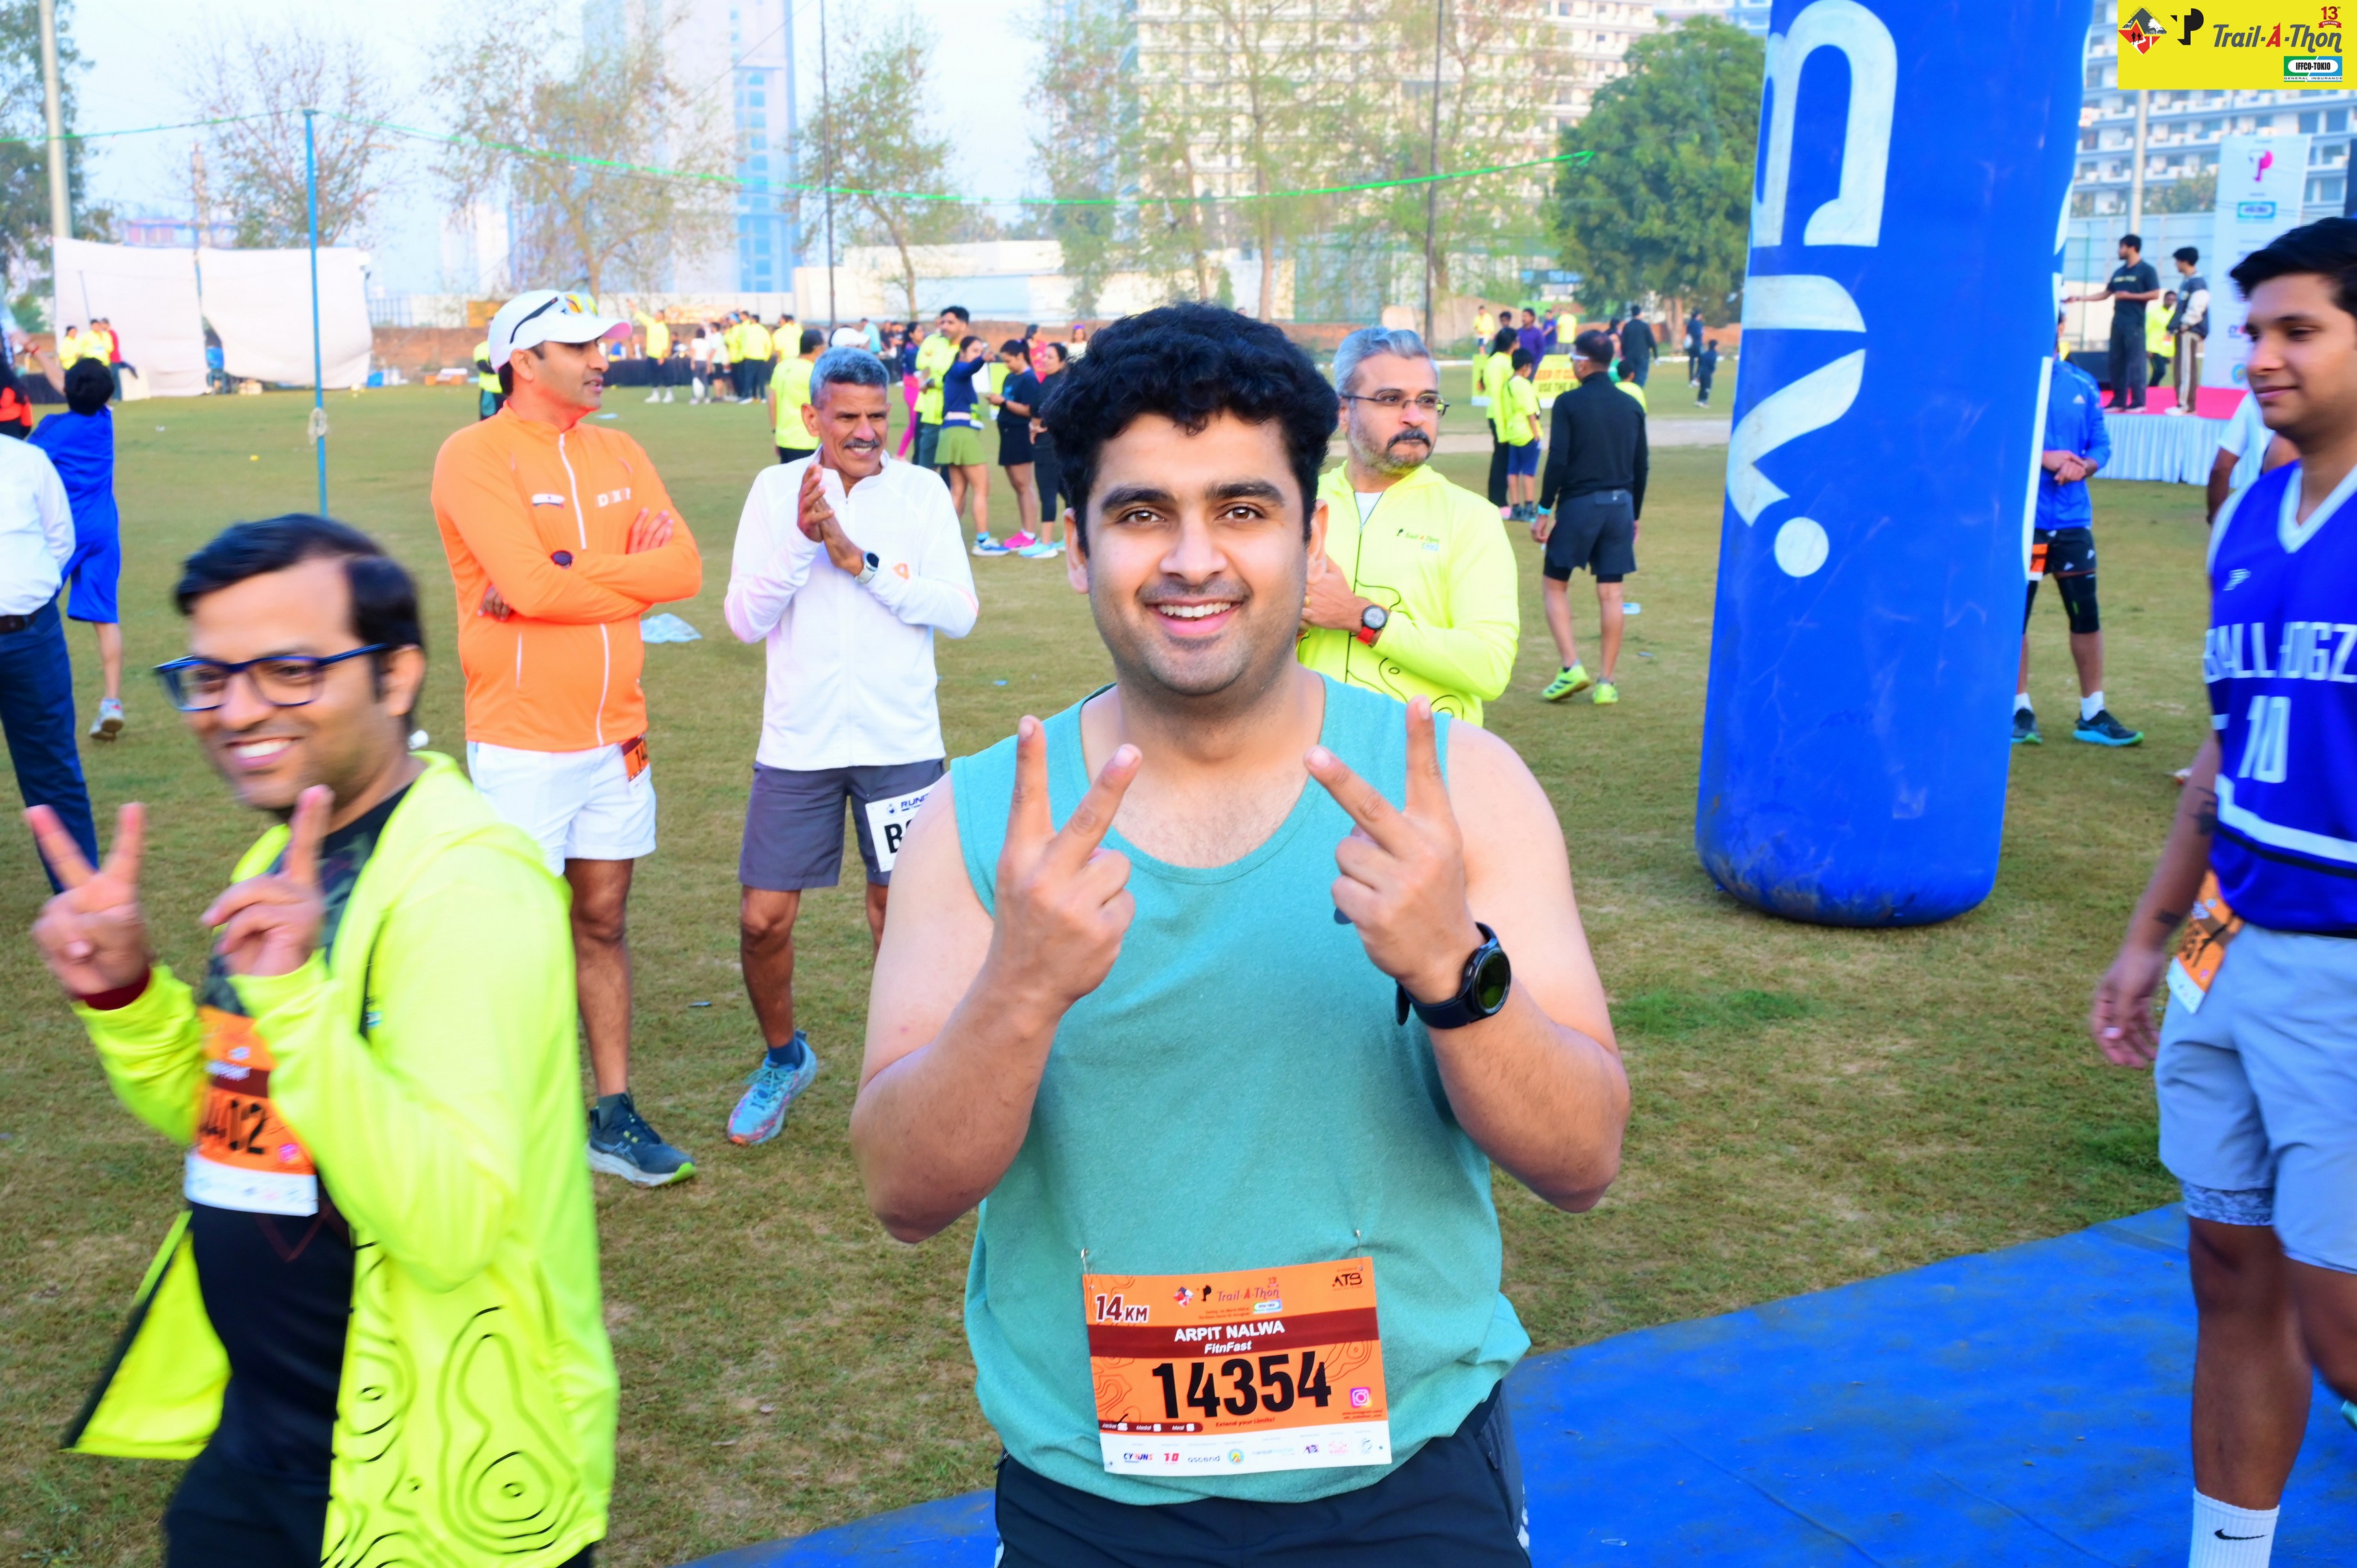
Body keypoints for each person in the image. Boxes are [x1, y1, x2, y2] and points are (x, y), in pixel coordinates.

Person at [850, 302, 1627, 1567]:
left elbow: (1582, 1158)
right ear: (1075, 545)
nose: (1192, 558)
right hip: (1095, 1501)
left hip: (1410, 1484)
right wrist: (1019, 991)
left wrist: (1456, 968)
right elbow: (901, 1193)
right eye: (1140, 513)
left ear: (1309, 535)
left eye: (1243, 508)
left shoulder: (1460, 789)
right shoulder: (984, 819)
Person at [27, 514, 614, 1568]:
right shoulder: (293, 857)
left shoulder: (466, 890)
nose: (237, 709)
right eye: (210, 678)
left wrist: (294, 1001)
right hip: (268, 1444)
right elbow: (236, 1118)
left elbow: (449, 1222)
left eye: (291, 670)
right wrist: (125, 993)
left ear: (396, 676)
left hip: (430, 1475)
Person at [2087, 216, 2357, 1568]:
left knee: (2342, 1329)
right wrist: (2149, 936)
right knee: (2229, 1277)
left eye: (2297, 329)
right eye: (2252, 330)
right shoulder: (2250, 512)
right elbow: (2220, 752)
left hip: (2340, 972)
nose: (2257, 356)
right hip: (2224, 947)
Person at [429, 289, 704, 1187]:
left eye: (600, 344)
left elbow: (684, 570)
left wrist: (564, 572)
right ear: (523, 361)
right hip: (520, 742)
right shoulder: (474, 455)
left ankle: (612, 1114)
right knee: (513, 937)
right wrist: (617, 580)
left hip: (617, 736)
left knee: (603, 920)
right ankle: (506, 1117)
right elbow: (529, 590)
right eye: (579, 346)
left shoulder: (620, 450)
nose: (600, 359)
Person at [721, 347, 977, 1147]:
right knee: (763, 920)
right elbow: (743, 619)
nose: (866, 432)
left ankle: (906, 1075)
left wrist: (861, 564)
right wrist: (805, 542)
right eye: (848, 418)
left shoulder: (921, 491)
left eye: (877, 417)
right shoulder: (774, 492)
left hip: (901, 740)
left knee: (900, 915)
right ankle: (783, 1059)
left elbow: (959, 611)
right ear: (812, 418)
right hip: (798, 743)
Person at [1301, 325, 1517, 726]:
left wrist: (1361, 617)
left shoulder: (1470, 517)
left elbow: (1490, 667)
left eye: (1428, 401)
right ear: (1343, 411)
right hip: (1304, 749)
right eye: (1391, 399)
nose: (1415, 416)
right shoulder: (1300, 505)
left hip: (1420, 755)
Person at [2014, 317, 2143, 749]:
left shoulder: (2082, 383)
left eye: (2053, 318)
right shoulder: (2014, 383)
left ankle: (2093, 712)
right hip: (2028, 524)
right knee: (2017, 615)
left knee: (2085, 615)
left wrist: (2084, 465)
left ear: (2060, 325)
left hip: (2071, 523)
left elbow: (2101, 444)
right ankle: (2018, 709)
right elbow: (1998, 441)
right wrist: (2044, 457)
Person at [0, 433, 97, 886]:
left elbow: (60, 542)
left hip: (31, 637)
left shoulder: (28, 461)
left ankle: (80, 894)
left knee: (53, 770)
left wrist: (21, 596)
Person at [1535, 328, 1647, 708]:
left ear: (1582, 363)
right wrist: (1635, 513)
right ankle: (1606, 683)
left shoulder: (1569, 403)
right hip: (1621, 506)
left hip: (1581, 505)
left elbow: (1559, 459)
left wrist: (1544, 509)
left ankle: (1571, 666)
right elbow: (1641, 465)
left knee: (1555, 584)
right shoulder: (1631, 404)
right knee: (1612, 593)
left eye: (1573, 359)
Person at [30, 360, 126, 740]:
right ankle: (112, 703)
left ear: (68, 392)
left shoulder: (54, 430)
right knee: (106, 618)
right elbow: (70, 387)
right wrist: (37, 353)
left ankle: (33, 700)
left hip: (64, 533)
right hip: (104, 530)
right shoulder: (105, 420)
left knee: (29, 610)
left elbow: (21, 463)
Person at [2068, 233, 2163, 412]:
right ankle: (2119, 401)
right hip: (2118, 322)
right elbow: (2106, 293)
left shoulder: (2146, 270)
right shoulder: (2119, 272)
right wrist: (2080, 298)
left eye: (2122, 247)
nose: (2119, 251)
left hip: (2135, 324)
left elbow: (2155, 293)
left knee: (2136, 363)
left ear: (2132, 248)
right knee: (2116, 362)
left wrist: (2131, 296)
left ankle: (2138, 402)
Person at [990, 338, 1052, 555]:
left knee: (1024, 484)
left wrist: (1003, 403)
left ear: (1020, 356)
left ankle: (1029, 534)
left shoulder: (1029, 380)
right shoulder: (1010, 377)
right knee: (1017, 485)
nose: (1006, 365)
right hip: (1007, 434)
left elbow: (1029, 411)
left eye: (1008, 361)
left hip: (1020, 434)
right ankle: (1025, 531)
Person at [940, 336, 998, 555]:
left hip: (952, 433)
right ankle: (983, 541)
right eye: (974, 350)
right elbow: (970, 368)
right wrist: (982, 359)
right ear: (962, 353)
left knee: (958, 490)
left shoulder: (955, 373)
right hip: (962, 434)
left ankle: (945, 541)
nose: (978, 354)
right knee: (981, 487)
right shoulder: (959, 369)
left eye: (980, 350)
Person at [2209, 386, 2300, 520]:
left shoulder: (2255, 398)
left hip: (2258, 510)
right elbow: (2221, 467)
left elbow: (2221, 467)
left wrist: (2216, 520)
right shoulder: (2319, 402)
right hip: (2297, 512)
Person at [1028, 342, 1071, 557]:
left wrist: (1035, 426)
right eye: (1044, 356)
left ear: (1062, 362)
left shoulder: (1051, 385)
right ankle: (1072, 539)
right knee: (1068, 493)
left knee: (1048, 493)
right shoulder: (1065, 383)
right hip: (1062, 444)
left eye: (1050, 357)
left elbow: (1038, 409)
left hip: (1047, 446)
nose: (1044, 360)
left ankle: (1046, 544)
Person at [914, 306, 967, 475]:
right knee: (924, 469)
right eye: (943, 322)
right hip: (931, 413)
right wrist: (926, 380)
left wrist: (931, 382)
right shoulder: (935, 342)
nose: (944, 326)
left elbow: (954, 379)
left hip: (955, 415)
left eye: (950, 323)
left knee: (952, 472)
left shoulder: (967, 349)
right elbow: (923, 367)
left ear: (963, 325)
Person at [770, 328, 825, 464]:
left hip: (783, 438)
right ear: (817, 349)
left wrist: (776, 432)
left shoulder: (782, 366)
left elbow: (772, 402)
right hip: (805, 439)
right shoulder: (814, 372)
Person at [1481, 325, 1517, 522]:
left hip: (1509, 417)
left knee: (1506, 460)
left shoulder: (1507, 361)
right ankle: (1498, 502)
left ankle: (1501, 501)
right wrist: (1502, 430)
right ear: (1512, 343)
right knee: (1501, 460)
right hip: (1499, 416)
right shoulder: (1496, 363)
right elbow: (1496, 395)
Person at [1503, 348, 1543, 522]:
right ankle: (1529, 508)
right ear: (1526, 366)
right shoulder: (1524, 385)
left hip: (1514, 432)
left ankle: (1516, 508)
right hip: (1527, 433)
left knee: (1512, 471)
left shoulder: (1508, 384)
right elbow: (1530, 411)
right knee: (1528, 472)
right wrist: (1536, 434)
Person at [2173, 246, 2211, 414]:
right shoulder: (2187, 282)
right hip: (2183, 330)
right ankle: (2182, 404)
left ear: (2185, 262)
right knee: (2181, 368)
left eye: (2177, 261)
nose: (2175, 265)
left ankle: (2186, 406)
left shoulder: (2197, 283)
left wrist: (2186, 324)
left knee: (2186, 369)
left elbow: (2198, 306)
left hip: (2189, 330)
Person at [738, 312, 775, 405]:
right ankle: (763, 397)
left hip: (750, 357)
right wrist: (766, 357)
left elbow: (744, 343)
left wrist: (743, 355)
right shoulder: (763, 330)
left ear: (753, 320)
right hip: (761, 358)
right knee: (761, 379)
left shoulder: (748, 330)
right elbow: (769, 344)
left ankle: (747, 396)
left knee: (748, 378)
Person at [1616, 304, 1655, 388]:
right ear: (1640, 313)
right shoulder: (1645, 326)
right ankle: (1637, 391)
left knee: (1631, 377)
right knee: (1641, 378)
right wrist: (1656, 355)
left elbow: (1623, 342)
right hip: (1643, 355)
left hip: (1630, 356)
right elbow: (1652, 342)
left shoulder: (1627, 326)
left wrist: (1624, 355)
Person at [642, 313, 674, 404]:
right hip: (651, 355)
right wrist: (633, 308)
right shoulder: (651, 323)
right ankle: (655, 395)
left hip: (660, 356)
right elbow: (642, 316)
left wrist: (662, 356)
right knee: (653, 375)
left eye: (658, 315)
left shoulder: (663, 329)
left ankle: (669, 394)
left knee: (665, 375)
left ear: (662, 317)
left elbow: (665, 344)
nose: (655, 316)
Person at [2150, 291, 2176, 397]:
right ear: (2164, 299)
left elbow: (2170, 335)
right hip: (2154, 347)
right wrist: (2148, 348)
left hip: (2165, 348)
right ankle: (2150, 388)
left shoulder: (2173, 315)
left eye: (2173, 300)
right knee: (2161, 371)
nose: (2170, 302)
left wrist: (2171, 353)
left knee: (2159, 371)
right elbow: (2147, 330)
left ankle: (2153, 390)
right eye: (2168, 299)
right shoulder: (2154, 313)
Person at [473, 336, 503, 420]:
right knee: (487, 420)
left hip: (509, 392)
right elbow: (483, 366)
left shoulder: (508, 346)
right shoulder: (482, 348)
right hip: (490, 391)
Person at [1695, 336, 1720, 407]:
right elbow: (1712, 364)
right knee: (1707, 387)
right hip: (1707, 373)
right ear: (1714, 346)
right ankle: (1704, 401)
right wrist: (1713, 369)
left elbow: (1699, 362)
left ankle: (1699, 400)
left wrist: (1697, 374)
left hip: (1701, 372)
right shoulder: (1713, 354)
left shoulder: (1705, 354)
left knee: (1702, 387)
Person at [1685, 308, 1705, 384]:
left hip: (1690, 345)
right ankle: (1697, 377)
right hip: (1697, 344)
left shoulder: (1689, 323)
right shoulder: (1698, 324)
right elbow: (1698, 334)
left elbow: (1688, 333)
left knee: (1691, 362)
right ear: (1698, 316)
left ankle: (1691, 379)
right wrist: (1702, 332)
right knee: (1702, 360)